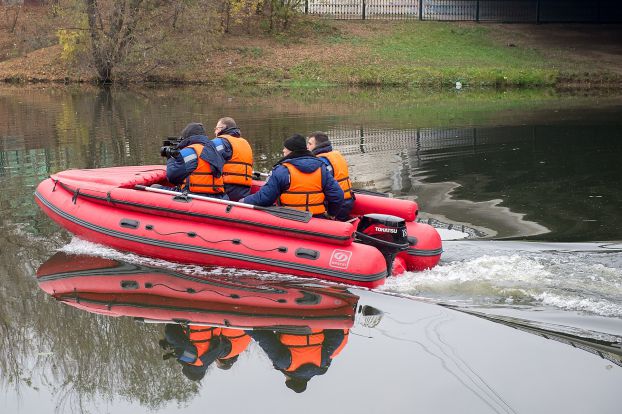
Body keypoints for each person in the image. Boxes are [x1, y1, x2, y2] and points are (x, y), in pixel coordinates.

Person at [240, 134, 344, 219]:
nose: (283, 151)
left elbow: (265, 198)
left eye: (285, 148)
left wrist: (243, 202)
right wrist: (331, 214)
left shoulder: (282, 171)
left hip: (290, 219)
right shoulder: (321, 168)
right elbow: (337, 195)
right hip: (317, 219)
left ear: (291, 151)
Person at [247, 328, 349, 393]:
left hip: (316, 314)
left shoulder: (321, 361)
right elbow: (263, 337)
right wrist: (244, 326)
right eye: (286, 378)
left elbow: (337, 336)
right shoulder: (284, 363)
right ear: (290, 379)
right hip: (288, 315)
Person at [165, 122, 228, 199]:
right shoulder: (215, 150)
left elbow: (172, 177)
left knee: (155, 187)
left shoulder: (188, 152)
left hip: (194, 195)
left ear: (187, 137)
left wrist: (170, 158)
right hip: (218, 197)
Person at [307, 131, 354, 221]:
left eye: (309, 144)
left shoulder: (322, 162)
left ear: (317, 146)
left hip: (337, 204)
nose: (307, 147)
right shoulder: (336, 155)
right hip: (348, 199)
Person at [161, 324, 229, 381]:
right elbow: (171, 332)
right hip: (195, 320)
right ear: (190, 370)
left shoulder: (214, 356)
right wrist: (168, 342)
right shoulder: (194, 360)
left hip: (215, 322)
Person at [212, 117, 254, 201]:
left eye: (216, 128)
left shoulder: (221, 141)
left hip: (227, 189)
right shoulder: (245, 143)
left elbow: (207, 159)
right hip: (245, 190)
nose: (215, 131)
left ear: (223, 128)